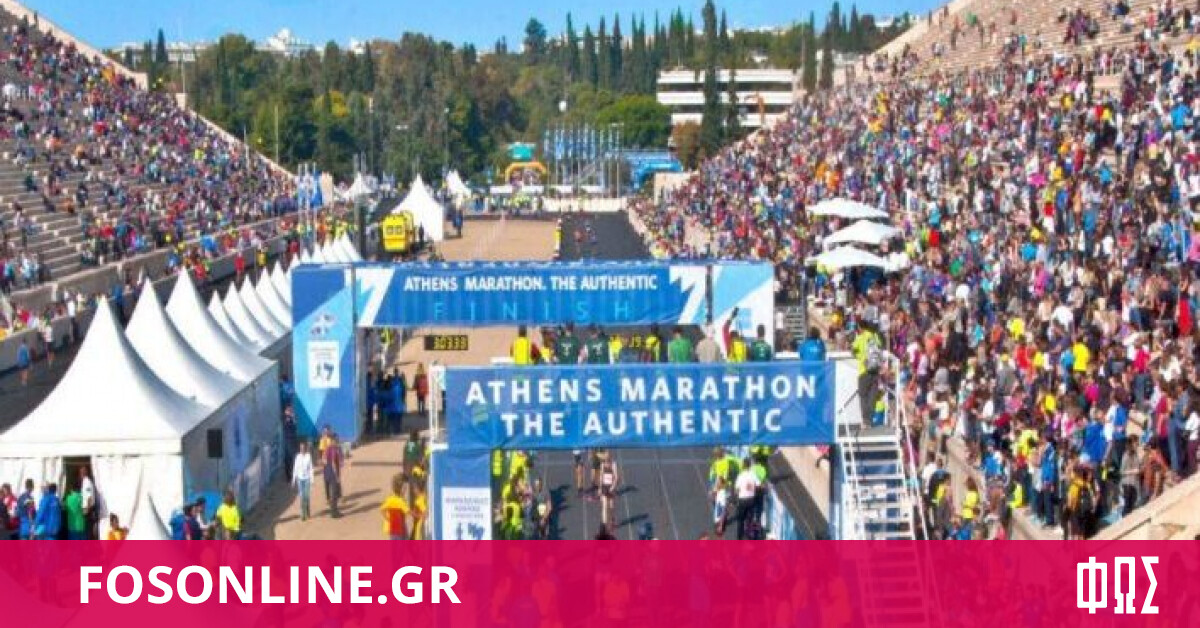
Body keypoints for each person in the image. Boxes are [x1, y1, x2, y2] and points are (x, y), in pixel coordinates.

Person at [733, 458, 761, 539]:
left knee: (740, 520)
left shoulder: (740, 476)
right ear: (750, 465)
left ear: (743, 465)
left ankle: (739, 538)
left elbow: (737, 489)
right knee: (749, 520)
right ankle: (749, 537)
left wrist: (736, 498)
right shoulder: (753, 475)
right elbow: (758, 485)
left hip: (742, 500)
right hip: (751, 499)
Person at [380, 473, 410, 540]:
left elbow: (382, 509)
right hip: (397, 528)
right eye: (405, 488)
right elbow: (408, 512)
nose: (406, 490)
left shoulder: (391, 498)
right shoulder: (399, 500)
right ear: (400, 488)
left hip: (398, 526)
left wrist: (388, 518)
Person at [323, 432, 345, 517]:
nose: (337, 440)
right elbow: (332, 463)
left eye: (337, 439)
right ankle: (334, 512)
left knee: (335, 493)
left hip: (329, 473)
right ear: (332, 440)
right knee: (334, 493)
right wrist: (336, 475)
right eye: (336, 439)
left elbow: (324, 460)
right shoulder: (332, 449)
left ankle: (334, 511)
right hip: (332, 474)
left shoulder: (334, 448)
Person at [292, 441, 314, 521]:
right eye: (301, 448)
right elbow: (295, 468)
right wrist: (293, 479)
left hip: (307, 478)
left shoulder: (308, 456)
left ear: (305, 448)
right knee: (301, 497)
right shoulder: (298, 457)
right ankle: (303, 514)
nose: (302, 449)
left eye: (303, 448)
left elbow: (311, 468)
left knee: (306, 496)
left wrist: (312, 479)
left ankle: (307, 509)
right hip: (300, 479)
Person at [598, 452, 619, 529]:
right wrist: (600, 488)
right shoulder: (602, 464)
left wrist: (613, 487)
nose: (606, 460)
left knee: (611, 506)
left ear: (609, 458)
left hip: (611, 487)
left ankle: (612, 520)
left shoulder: (613, 464)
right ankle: (604, 525)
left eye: (607, 458)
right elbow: (601, 476)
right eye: (605, 458)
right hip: (604, 486)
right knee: (604, 506)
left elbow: (616, 477)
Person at [78, 466, 96, 539]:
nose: (80, 475)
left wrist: (87, 509)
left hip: (88, 509)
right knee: (88, 530)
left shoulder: (87, 482)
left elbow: (89, 496)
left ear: (85, 473)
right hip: (88, 508)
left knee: (88, 530)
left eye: (81, 472)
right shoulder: (85, 482)